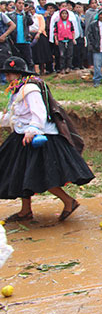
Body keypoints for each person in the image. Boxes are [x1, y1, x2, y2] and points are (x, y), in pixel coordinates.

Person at [0, 57, 93, 222]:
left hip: (38, 137)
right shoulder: (17, 91)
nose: (7, 78)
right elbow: (15, 116)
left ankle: (68, 201)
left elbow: (39, 112)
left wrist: (33, 129)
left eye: (10, 74)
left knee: (42, 175)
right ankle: (25, 210)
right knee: (21, 173)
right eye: (6, 74)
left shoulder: (30, 89)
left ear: (19, 74)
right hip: (22, 136)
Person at [7, 0, 33, 71]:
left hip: (25, 40)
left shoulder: (25, 15)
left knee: (28, 60)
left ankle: (30, 75)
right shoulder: (10, 15)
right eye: (19, 3)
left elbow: (30, 22)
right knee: (15, 60)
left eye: (23, 3)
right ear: (15, 4)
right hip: (14, 41)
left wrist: (27, 13)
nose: (21, 5)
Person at [54, 8, 75, 74]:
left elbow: (72, 31)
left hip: (69, 39)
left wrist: (73, 39)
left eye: (65, 14)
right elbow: (55, 32)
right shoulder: (57, 23)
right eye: (63, 14)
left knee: (69, 54)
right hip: (61, 40)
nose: (64, 15)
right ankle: (62, 68)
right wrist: (56, 40)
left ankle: (69, 67)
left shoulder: (70, 22)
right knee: (62, 55)